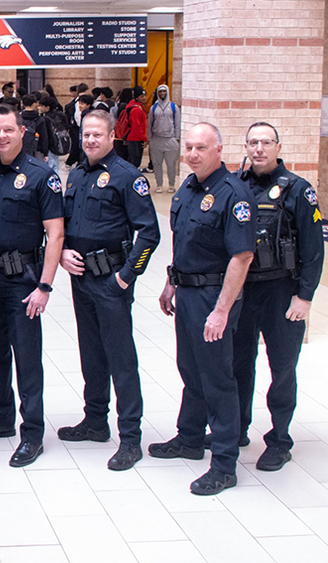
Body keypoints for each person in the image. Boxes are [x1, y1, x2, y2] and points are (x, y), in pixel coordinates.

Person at [151, 123, 256, 496]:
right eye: (189, 147)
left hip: (214, 296)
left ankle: (225, 464)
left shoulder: (232, 194)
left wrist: (222, 310)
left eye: (201, 147)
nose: (193, 153)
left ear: (219, 150)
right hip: (188, 292)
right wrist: (171, 282)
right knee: (190, 370)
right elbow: (186, 243)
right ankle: (190, 437)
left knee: (218, 380)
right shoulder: (188, 187)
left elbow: (242, 257)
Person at [57, 110, 160, 471]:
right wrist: (63, 252)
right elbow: (67, 225)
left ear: (112, 136)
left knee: (121, 359)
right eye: (86, 135)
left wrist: (126, 277)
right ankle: (95, 421)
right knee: (91, 353)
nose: (90, 141)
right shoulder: (77, 176)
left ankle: (130, 437)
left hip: (111, 279)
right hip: (81, 277)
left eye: (97, 135)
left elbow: (149, 233)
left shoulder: (127, 177)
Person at [0, 105, 64, 469]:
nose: (1, 137)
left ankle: (32, 432)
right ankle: (0, 417)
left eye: (8, 130)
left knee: (27, 358)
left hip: (24, 280)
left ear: (23, 131)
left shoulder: (42, 176)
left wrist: (45, 286)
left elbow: (55, 234)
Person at [228, 122, 323, 471]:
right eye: (253, 142)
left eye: (266, 142)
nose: (259, 149)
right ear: (246, 146)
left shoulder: (298, 190)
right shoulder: (235, 187)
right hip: (243, 291)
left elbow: (314, 250)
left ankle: (280, 440)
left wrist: (305, 297)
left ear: (278, 147)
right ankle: (236, 430)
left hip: (282, 292)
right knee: (239, 364)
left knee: (282, 367)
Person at [148, 85, 180, 193]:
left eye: (164, 91)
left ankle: (171, 184)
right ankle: (159, 185)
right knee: (157, 164)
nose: (162, 93)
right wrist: (149, 138)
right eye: (160, 91)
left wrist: (177, 138)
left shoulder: (173, 107)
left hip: (170, 138)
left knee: (171, 164)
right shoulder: (154, 108)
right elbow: (150, 123)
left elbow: (177, 123)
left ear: (167, 92)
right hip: (157, 139)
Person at [123, 86, 148, 168]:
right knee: (135, 162)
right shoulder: (136, 110)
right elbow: (137, 127)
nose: (144, 98)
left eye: (145, 96)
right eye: (142, 96)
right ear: (137, 98)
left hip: (134, 138)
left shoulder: (136, 107)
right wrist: (144, 138)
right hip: (135, 138)